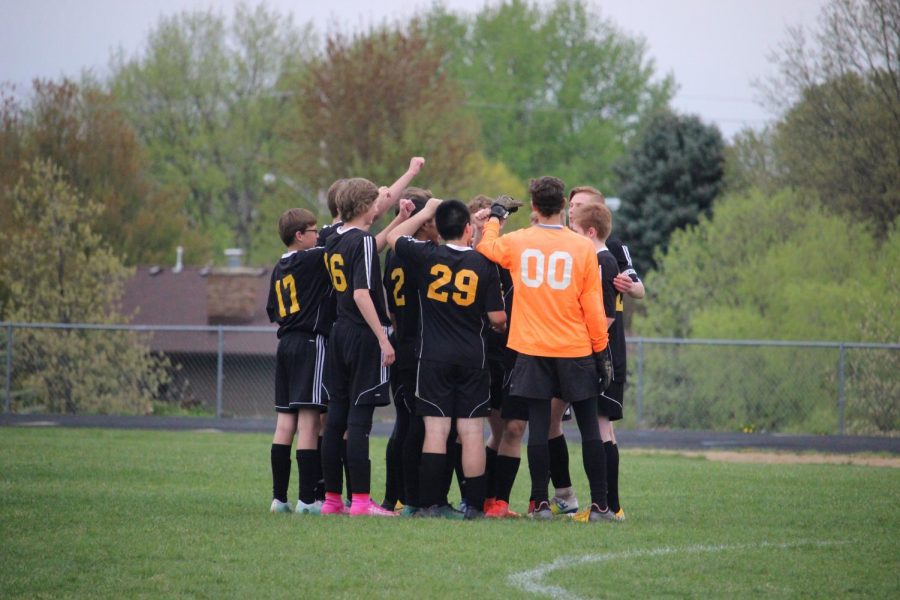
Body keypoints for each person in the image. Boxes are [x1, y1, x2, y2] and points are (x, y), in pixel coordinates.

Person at [475, 176, 615, 522]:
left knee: (539, 428)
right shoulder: (583, 247)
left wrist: (494, 217)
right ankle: (600, 505)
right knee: (588, 429)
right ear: (565, 207)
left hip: (532, 347)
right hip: (575, 347)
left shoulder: (519, 240)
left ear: (534, 207)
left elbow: (486, 249)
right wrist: (602, 350)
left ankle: (538, 502)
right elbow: (593, 305)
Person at [388, 198, 507, 519]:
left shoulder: (428, 255)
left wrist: (425, 212)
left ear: (439, 229)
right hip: (473, 357)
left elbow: (392, 237)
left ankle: (431, 504)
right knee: (471, 433)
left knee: (436, 431)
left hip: (433, 357)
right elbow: (497, 317)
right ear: (469, 228)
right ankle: (473, 505)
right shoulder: (484, 263)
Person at [565, 186, 644, 520]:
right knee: (592, 426)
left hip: (601, 348)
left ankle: (609, 504)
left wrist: (630, 286)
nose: (573, 211)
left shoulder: (607, 250)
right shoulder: (567, 244)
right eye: (571, 206)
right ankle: (584, 500)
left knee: (600, 426)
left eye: (580, 206)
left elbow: (637, 287)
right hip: (574, 347)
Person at [320, 178, 398, 517]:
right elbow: (362, 293)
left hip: (338, 332)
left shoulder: (332, 237)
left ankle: (332, 500)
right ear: (366, 207)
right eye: (376, 202)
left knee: (335, 419)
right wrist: (382, 338)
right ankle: (363, 502)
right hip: (362, 334)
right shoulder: (362, 240)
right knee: (358, 420)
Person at [265, 208, 332, 514]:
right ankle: (307, 500)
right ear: (299, 235)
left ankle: (279, 499)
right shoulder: (310, 258)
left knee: (284, 424)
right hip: (308, 342)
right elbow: (341, 241)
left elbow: (272, 312)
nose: (318, 235)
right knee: (308, 422)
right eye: (313, 230)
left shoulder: (279, 266)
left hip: (285, 343)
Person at [381, 188, 439, 514]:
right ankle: (410, 498)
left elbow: (390, 308)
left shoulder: (393, 254)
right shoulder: (421, 252)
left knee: (403, 424)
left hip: (403, 342)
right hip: (419, 347)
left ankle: (394, 496)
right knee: (416, 425)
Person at [468, 195, 518, 515]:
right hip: (482, 348)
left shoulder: (509, 252)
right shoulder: (474, 256)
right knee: (476, 427)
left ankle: (495, 500)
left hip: (511, 348)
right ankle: (477, 499)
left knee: (507, 429)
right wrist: (476, 230)